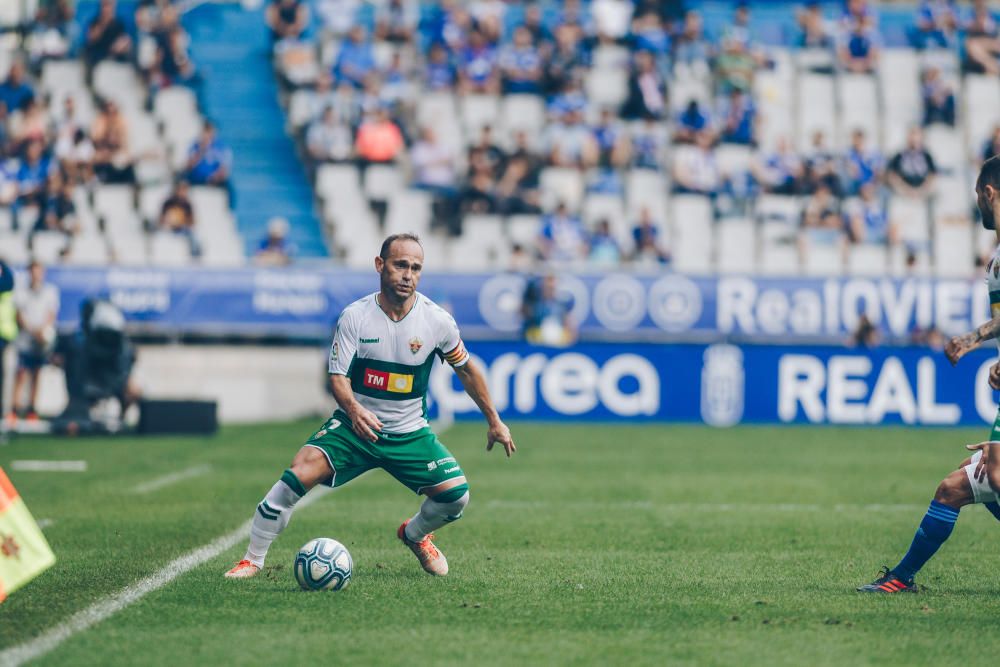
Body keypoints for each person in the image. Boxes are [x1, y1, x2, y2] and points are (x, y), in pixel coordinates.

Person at [226, 233, 515, 579]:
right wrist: (353, 410)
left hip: (409, 432)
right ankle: (252, 560)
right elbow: (337, 377)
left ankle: (415, 534)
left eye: (416, 268)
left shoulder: (437, 321)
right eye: (401, 265)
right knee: (294, 478)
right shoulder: (355, 317)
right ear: (380, 266)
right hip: (354, 427)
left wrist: (494, 420)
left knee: (456, 498)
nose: (408, 275)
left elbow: (466, 369)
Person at [858, 155, 1000, 593]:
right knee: (957, 486)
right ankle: (901, 579)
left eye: (979, 195)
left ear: (990, 193)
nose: (978, 203)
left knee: (993, 473)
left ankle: (901, 578)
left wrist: (976, 341)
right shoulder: (996, 262)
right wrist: (978, 342)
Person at [10, 261, 59, 423]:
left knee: (37, 373)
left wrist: (42, 331)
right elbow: (18, 314)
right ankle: (15, 410)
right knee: (22, 373)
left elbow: (51, 314)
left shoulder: (50, 291)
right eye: (33, 271)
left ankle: (32, 410)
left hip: (40, 341)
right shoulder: (21, 292)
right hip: (25, 339)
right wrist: (32, 330)